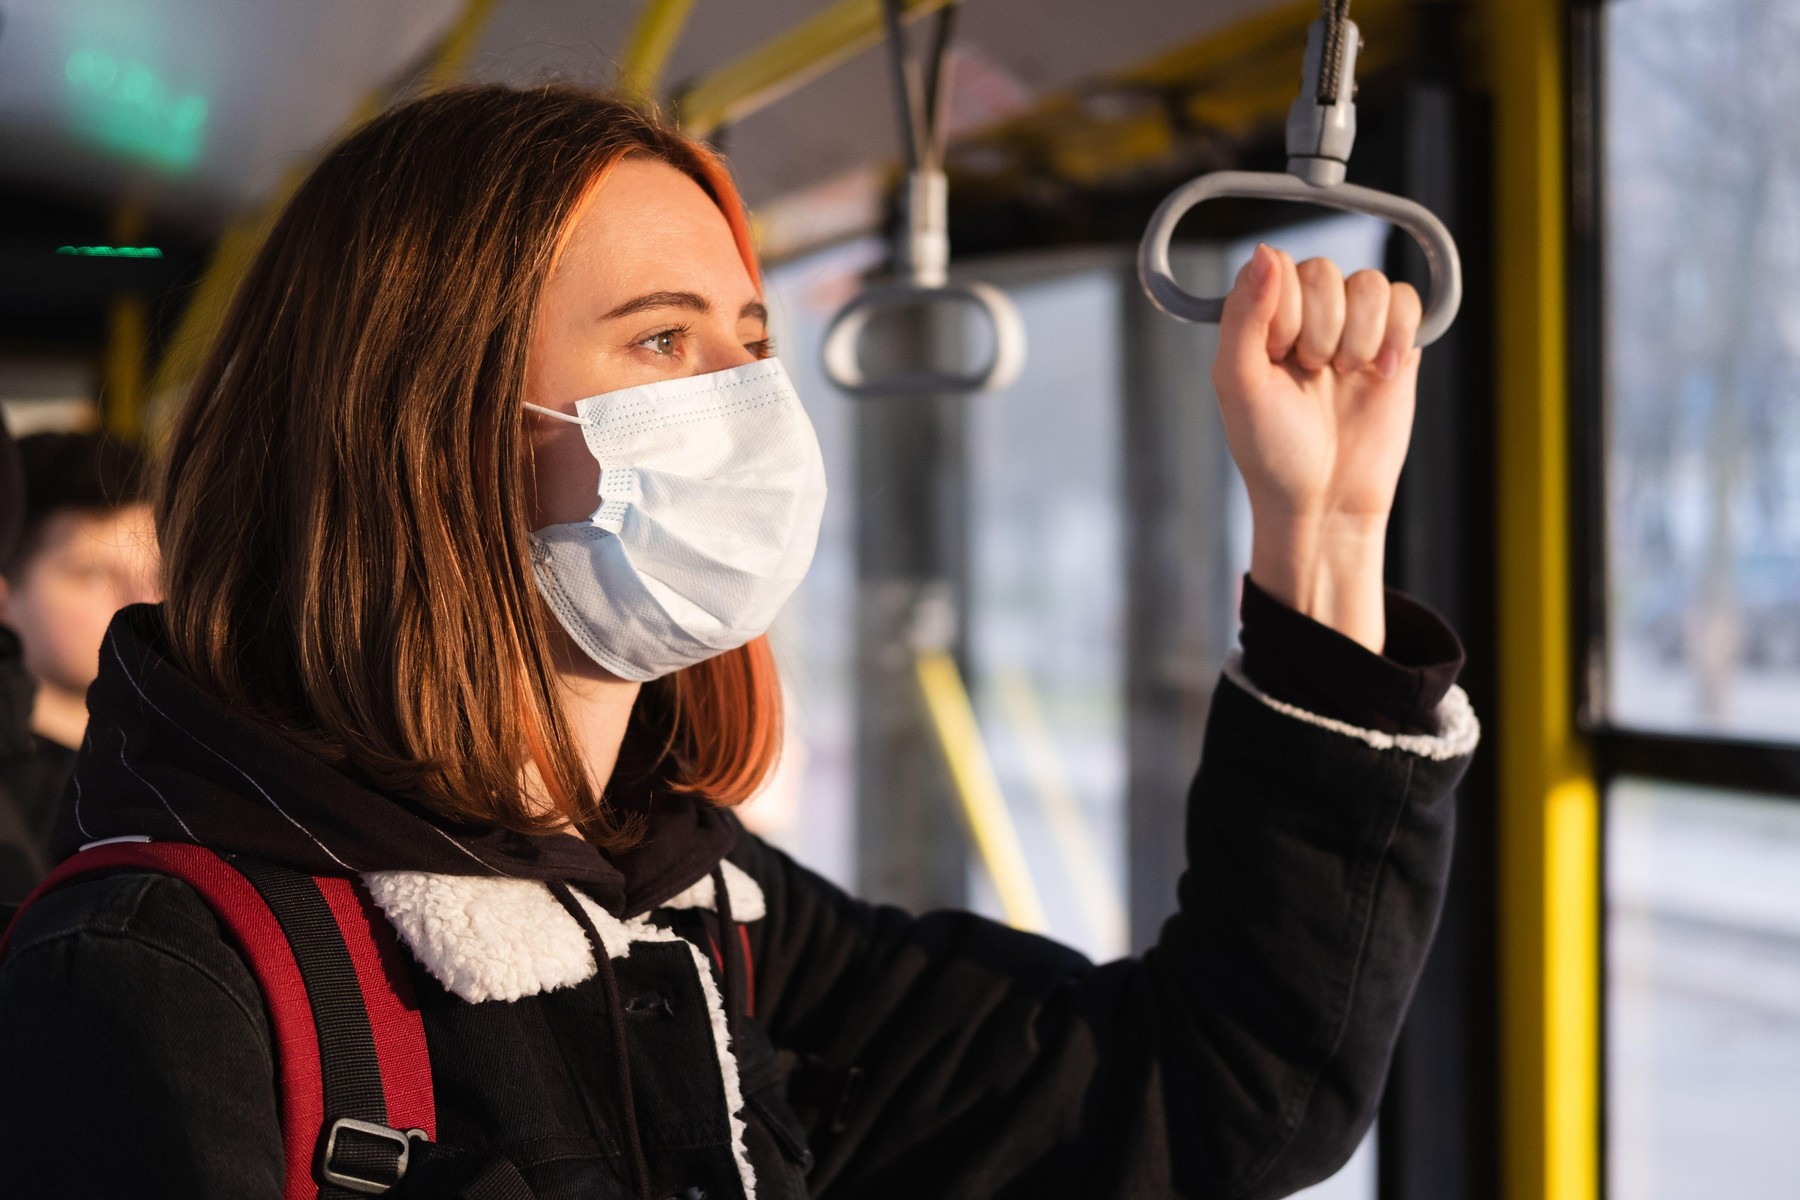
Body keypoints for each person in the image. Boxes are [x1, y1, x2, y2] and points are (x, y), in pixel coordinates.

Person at [0, 87, 1475, 1199]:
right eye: (661, 341)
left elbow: (1216, 1091)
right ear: (427, 425)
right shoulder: (154, 979)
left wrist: (1325, 538)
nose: (750, 407)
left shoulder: (696, 909)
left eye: (752, 343)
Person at [0, 431, 157, 899]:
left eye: (158, 572)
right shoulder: (21, 811)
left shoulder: (190, 780)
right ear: (4, 598)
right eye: (92, 573)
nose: (143, 600)